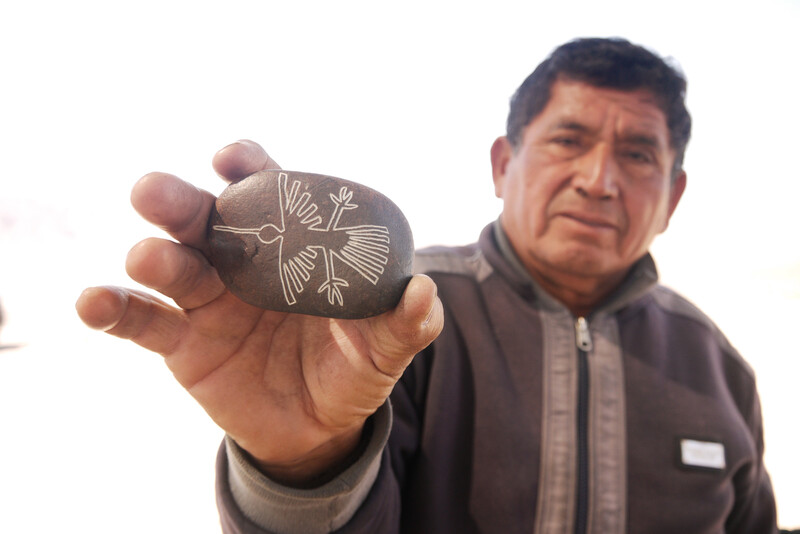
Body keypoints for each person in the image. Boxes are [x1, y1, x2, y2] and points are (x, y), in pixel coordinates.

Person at [76, 38, 778, 533]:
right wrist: (302, 470)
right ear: (504, 164)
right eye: (569, 141)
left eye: (637, 154)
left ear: (674, 196)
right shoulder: (392, 322)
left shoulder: (716, 367)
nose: (599, 181)